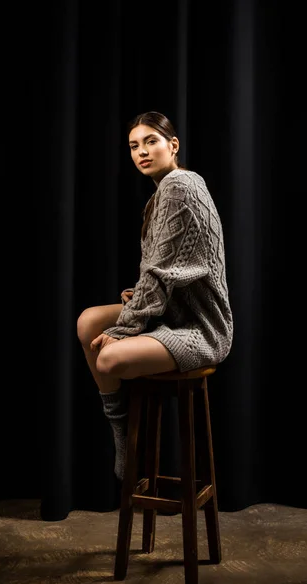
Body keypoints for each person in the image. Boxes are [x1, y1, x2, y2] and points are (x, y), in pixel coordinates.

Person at [77, 111, 233, 480]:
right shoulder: (163, 192)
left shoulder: (180, 185)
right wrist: (141, 300)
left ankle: (133, 447)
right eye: (134, 145)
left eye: (151, 141)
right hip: (172, 313)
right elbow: (170, 271)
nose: (142, 152)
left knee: (108, 359)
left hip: (201, 328)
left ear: (172, 145)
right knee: (88, 322)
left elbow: (161, 273)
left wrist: (124, 329)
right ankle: (121, 430)